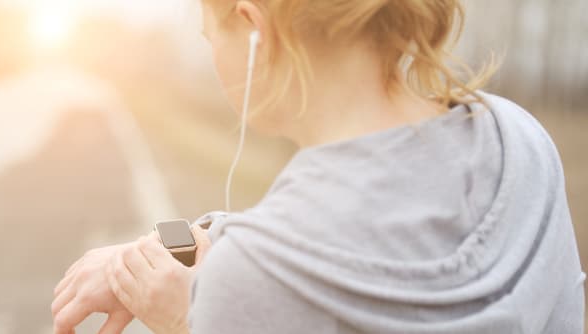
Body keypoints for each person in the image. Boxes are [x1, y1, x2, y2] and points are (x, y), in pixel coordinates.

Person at [51, 0, 585, 333]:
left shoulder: (249, 279)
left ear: (251, 26)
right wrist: (189, 244)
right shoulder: (523, 141)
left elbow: (281, 262)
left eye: (209, 37)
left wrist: (184, 320)